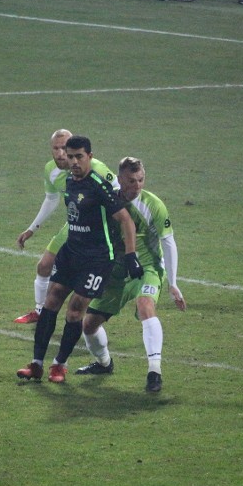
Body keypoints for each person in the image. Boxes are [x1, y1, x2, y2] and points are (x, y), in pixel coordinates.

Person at [16, 136, 143, 383]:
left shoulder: (99, 185)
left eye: (79, 157)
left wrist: (130, 256)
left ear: (90, 157)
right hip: (71, 253)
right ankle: (36, 364)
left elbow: (126, 220)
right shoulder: (69, 182)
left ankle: (59, 365)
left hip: (97, 259)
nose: (73, 161)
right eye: (70, 155)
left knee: (75, 312)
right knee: (50, 302)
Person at [77, 157, 186, 393]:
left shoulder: (153, 205)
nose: (137, 186)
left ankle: (154, 372)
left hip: (146, 269)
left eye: (141, 180)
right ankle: (104, 363)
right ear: (119, 180)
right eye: (131, 181)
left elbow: (168, 242)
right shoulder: (109, 201)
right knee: (89, 325)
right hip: (115, 272)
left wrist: (173, 283)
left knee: (146, 305)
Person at [14, 129, 117, 324]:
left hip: (98, 232)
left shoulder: (97, 169)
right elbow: (51, 199)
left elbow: (119, 194)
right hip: (73, 225)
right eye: (56, 148)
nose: (61, 154)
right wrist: (31, 229)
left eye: (64, 148)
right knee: (44, 266)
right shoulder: (50, 170)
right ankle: (39, 311)